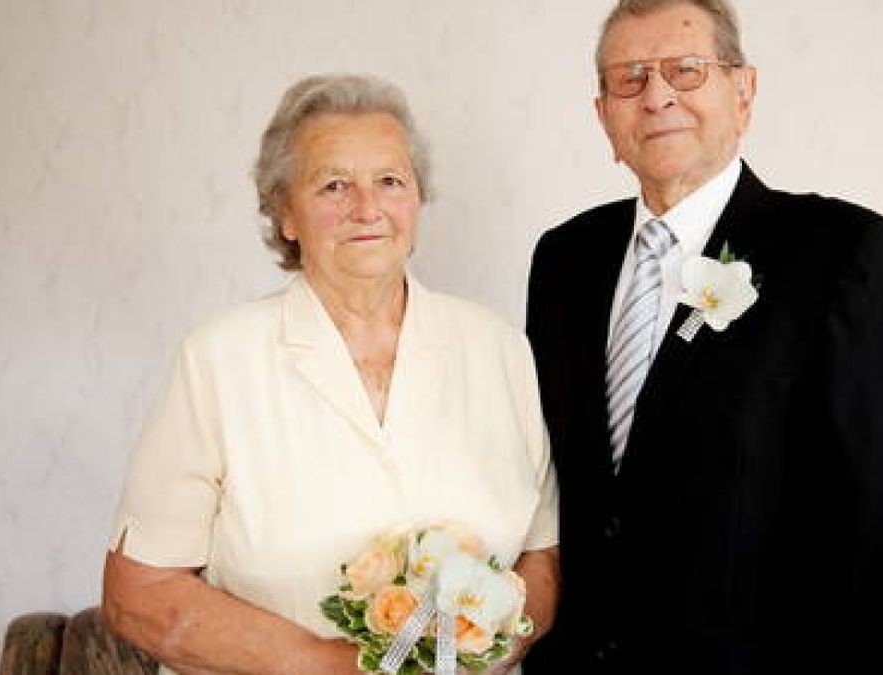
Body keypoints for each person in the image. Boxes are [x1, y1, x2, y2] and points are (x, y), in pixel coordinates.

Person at [522, 1, 883, 672]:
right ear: (603, 113)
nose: (657, 95)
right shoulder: (563, 260)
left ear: (743, 90)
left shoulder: (846, 254)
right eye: (629, 78)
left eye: (686, 70)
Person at [102, 74, 559, 675]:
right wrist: (338, 666)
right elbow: (140, 594)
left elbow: (542, 558)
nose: (366, 209)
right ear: (285, 213)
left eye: (390, 181)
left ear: (417, 200)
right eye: (334, 185)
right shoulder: (216, 360)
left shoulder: (498, 348)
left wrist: (469, 654)